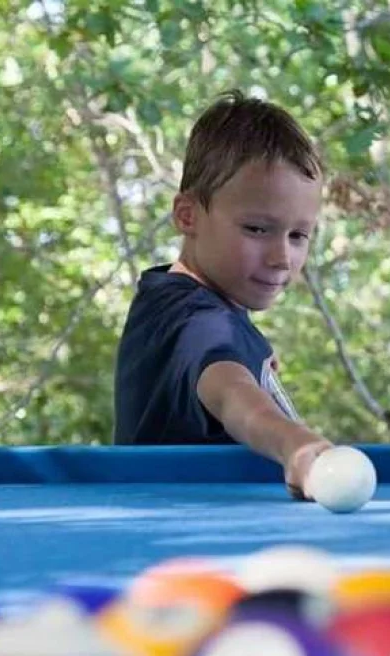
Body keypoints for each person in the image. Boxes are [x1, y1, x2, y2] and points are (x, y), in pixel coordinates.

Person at [114, 89, 333, 499]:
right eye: (256, 229)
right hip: (186, 548)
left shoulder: (184, 307)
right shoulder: (194, 319)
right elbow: (233, 395)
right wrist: (295, 443)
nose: (282, 257)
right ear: (188, 215)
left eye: (298, 235)